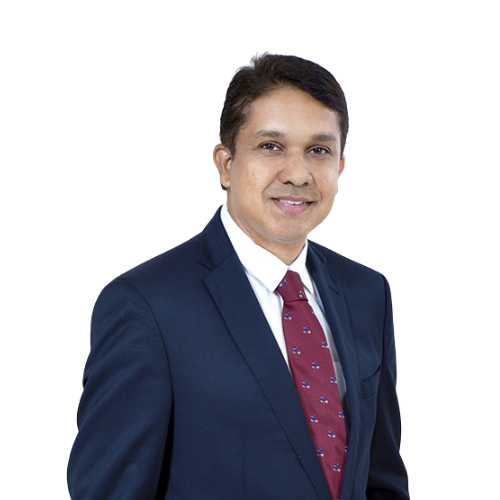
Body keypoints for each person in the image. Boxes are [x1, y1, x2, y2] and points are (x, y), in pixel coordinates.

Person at [67, 52, 409, 500]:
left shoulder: (367, 292)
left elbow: (381, 480)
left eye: (318, 150)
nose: (298, 174)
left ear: (340, 168)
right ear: (225, 163)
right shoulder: (146, 306)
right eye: (271, 146)